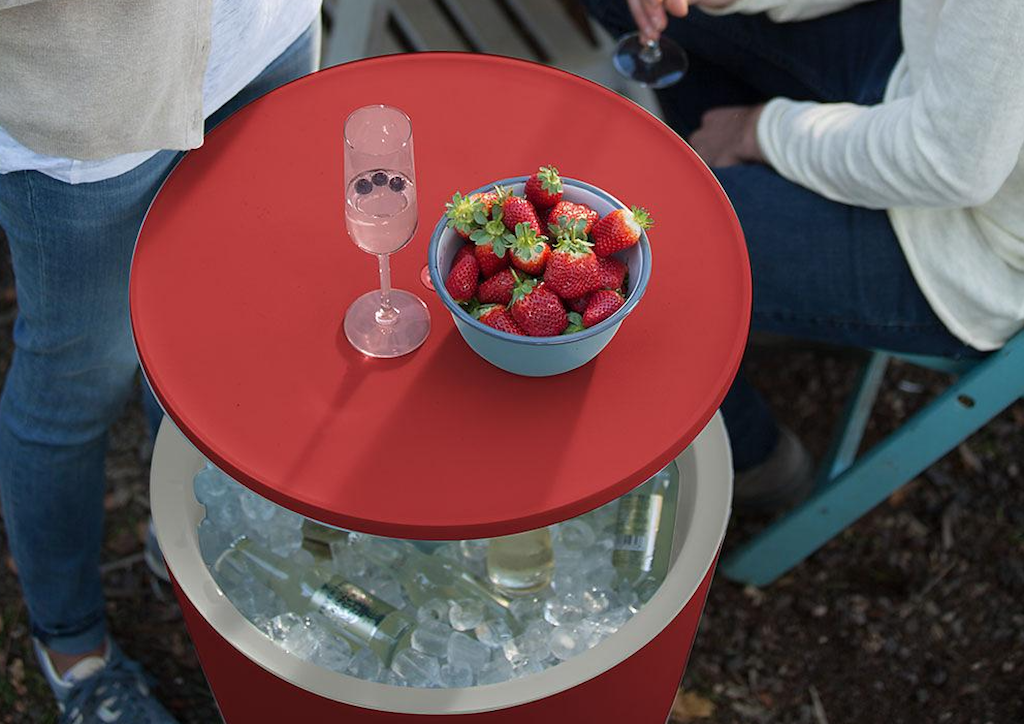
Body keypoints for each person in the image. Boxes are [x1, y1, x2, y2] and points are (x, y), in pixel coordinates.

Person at [0, 1, 323, 721]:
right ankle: (72, 648)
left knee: (219, 335)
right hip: (93, 103)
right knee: (75, 383)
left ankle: (184, 545)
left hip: (266, 34)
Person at [587, 0, 1024, 508]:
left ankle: (755, 463)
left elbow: (949, 164)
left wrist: (759, 130)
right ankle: (741, 263)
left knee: (635, 269)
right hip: (922, 69)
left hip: (965, 241)